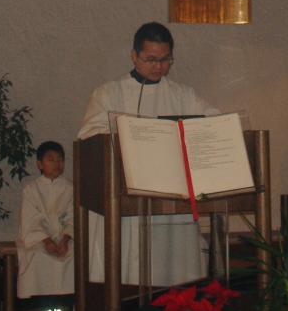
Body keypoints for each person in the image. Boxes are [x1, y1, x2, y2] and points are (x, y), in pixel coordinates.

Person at [78, 21, 218, 285]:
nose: (159, 67)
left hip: (171, 202)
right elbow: (90, 134)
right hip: (125, 199)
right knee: (130, 274)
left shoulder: (182, 95)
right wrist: (131, 130)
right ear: (134, 55)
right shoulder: (109, 93)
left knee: (172, 275)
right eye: (151, 59)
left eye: (165, 60)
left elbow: (212, 121)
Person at [16, 140, 74, 298]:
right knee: (36, 255)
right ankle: (40, 301)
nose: (57, 163)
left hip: (65, 238)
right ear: (40, 164)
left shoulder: (71, 188)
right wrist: (47, 241)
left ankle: (69, 300)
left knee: (74, 255)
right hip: (39, 239)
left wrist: (65, 240)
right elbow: (31, 220)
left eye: (60, 159)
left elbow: (73, 217)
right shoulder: (31, 190)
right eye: (51, 159)